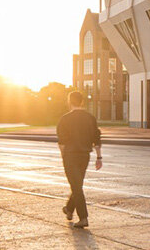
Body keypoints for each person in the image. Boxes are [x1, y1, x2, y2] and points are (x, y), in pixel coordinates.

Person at [57, 90, 101, 229]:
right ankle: (69, 209)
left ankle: (83, 218)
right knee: (77, 186)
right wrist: (99, 157)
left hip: (71, 155)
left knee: (76, 187)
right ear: (82, 101)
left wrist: (63, 157)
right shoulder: (90, 118)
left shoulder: (65, 119)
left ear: (69, 101)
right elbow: (96, 139)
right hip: (85, 156)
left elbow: (62, 143)